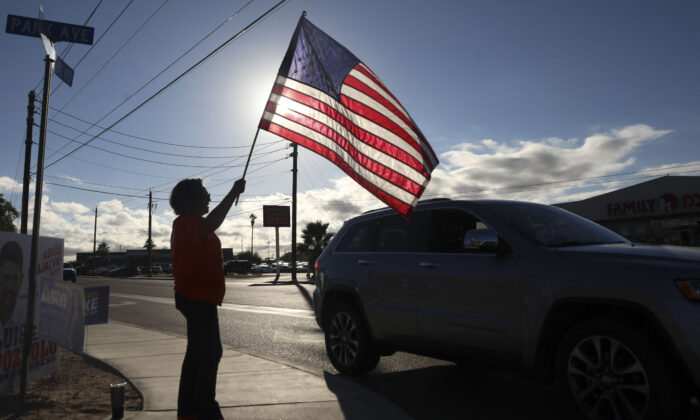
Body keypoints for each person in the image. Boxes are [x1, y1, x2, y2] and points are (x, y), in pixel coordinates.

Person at [169, 178, 245, 420]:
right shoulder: (187, 223)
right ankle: (204, 409)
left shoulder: (189, 223)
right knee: (210, 353)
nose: (209, 198)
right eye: (204, 194)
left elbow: (208, 225)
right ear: (191, 199)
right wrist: (233, 192)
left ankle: (190, 411)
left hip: (198, 296)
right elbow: (213, 222)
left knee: (198, 354)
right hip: (196, 297)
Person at [0, 240, 24, 327]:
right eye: (6, 278)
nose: (10, 286)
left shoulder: (25, 319)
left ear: (21, 279)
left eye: (15, 279)